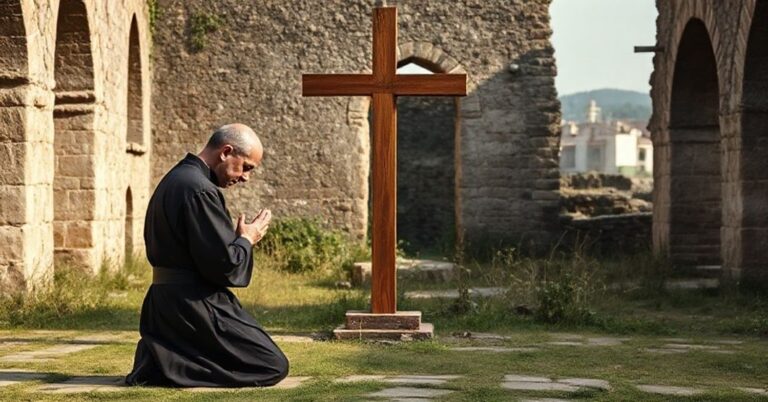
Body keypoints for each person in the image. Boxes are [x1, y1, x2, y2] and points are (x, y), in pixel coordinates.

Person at [125, 123, 289, 387]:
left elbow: (202, 252)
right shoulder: (200, 190)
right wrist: (247, 239)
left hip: (164, 305)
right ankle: (165, 368)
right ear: (226, 152)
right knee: (272, 365)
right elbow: (224, 267)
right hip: (193, 304)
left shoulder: (177, 178)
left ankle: (160, 360)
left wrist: (236, 242)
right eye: (246, 167)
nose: (246, 177)